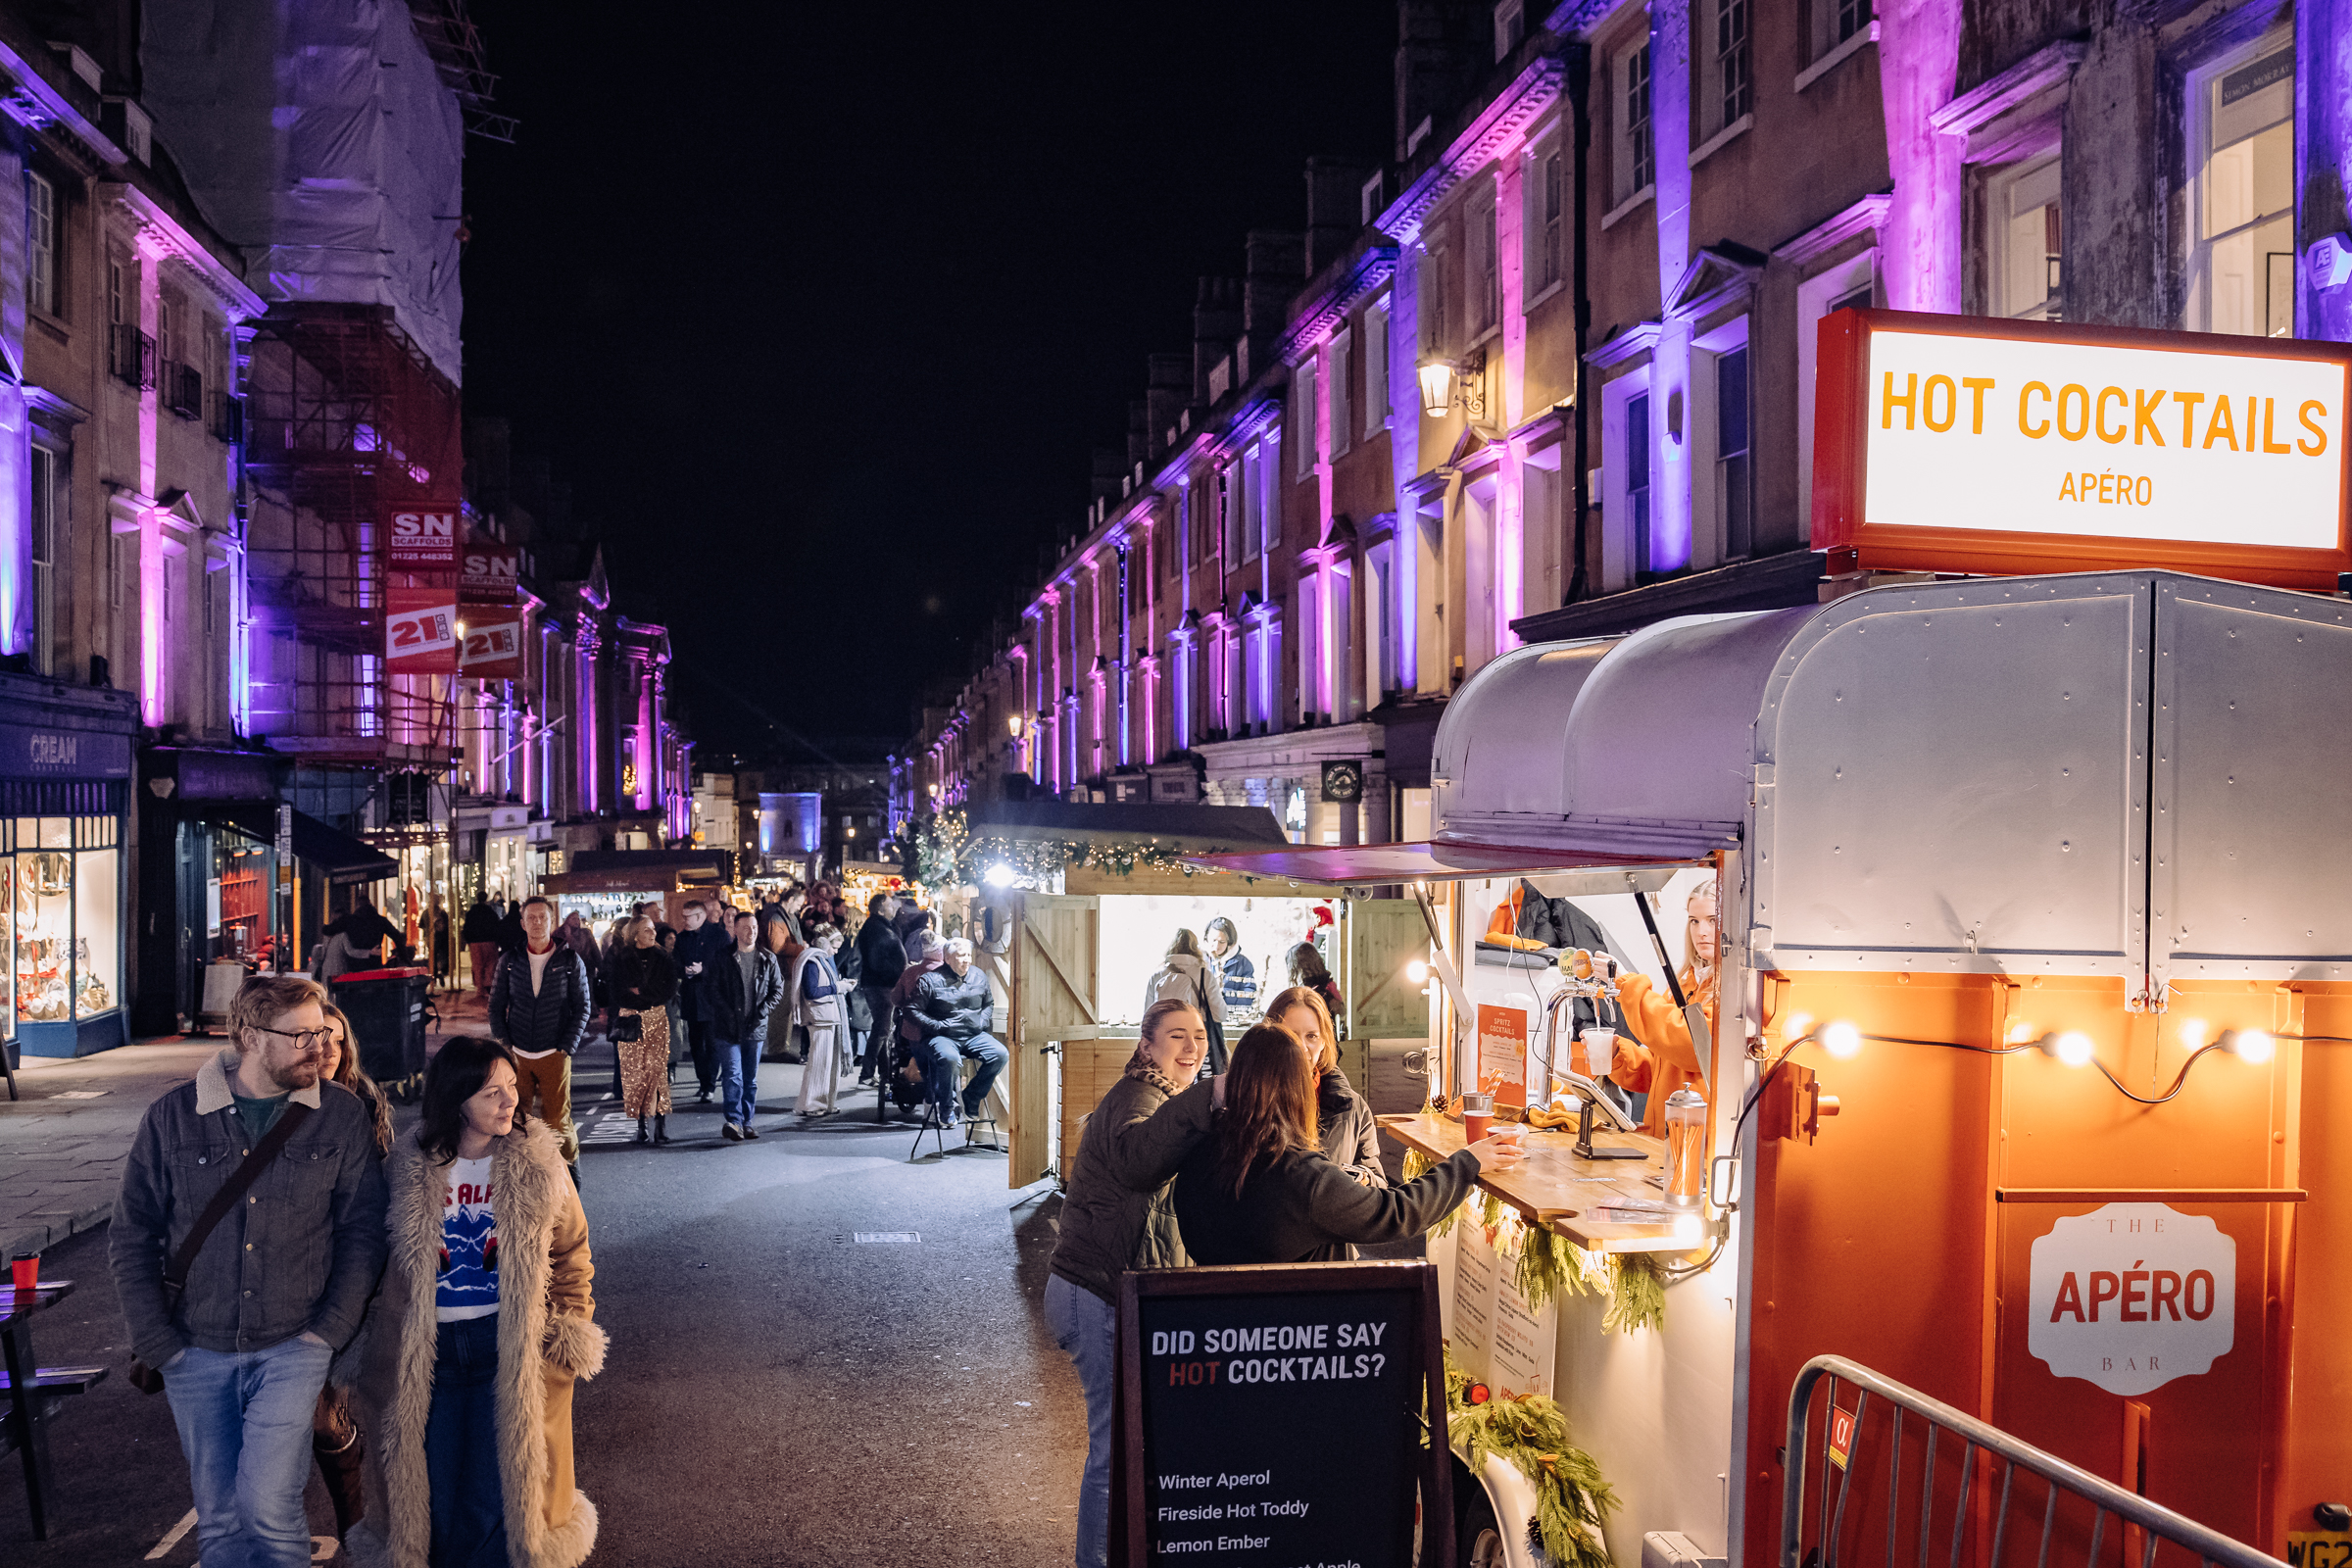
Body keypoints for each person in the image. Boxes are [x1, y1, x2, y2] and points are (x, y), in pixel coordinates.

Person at [110, 974, 390, 1568]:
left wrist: (329, 1333)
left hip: (295, 1343)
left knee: (267, 1503)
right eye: (300, 1036)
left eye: (321, 1032)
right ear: (247, 1035)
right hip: (194, 1348)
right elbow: (132, 1233)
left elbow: (362, 1231)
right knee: (220, 1520)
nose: (320, 1048)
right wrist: (158, 1342)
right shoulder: (173, 1119)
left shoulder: (340, 1116)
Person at [346, 1035, 606, 1568]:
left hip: (507, 1346)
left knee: (499, 1497)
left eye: (512, 1087)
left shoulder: (539, 1163)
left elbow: (573, 1254)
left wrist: (569, 1330)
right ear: (458, 1098)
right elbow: (368, 1256)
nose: (511, 1101)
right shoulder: (406, 1167)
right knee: (429, 1493)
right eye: (492, 1093)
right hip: (425, 1352)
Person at [1045, 1001, 1218, 1568]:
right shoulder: (1139, 1098)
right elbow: (1142, 1161)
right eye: (1176, 1037)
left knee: (1130, 1447)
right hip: (1093, 1292)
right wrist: (1207, 1100)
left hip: (1108, 1290)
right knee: (1114, 1452)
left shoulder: (1165, 1099)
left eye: (1197, 1036)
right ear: (1147, 1046)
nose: (1190, 1048)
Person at [1173, 1022, 1519, 1265]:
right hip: (1308, 1338)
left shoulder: (1199, 1155)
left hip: (1221, 1333)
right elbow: (1396, 1214)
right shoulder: (1301, 1177)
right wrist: (1468, 1163)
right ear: (1298, 1087)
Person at [311, 1003, 394, 1542]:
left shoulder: (363, 1104)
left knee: (327, 1414)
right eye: (314, 1037)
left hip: (348, 1279)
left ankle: (352, 1528)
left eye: (335, 1040)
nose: (325, 1050)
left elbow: (379, 1203)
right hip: (291, 1276)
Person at [487, 897, 593, 1185]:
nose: (536, 923)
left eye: (542, 918)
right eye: (531, 918)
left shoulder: (569, 960)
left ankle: (569, 1178)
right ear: (522, 923)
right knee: (516, 1120)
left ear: (551, 921)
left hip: (554, 1051)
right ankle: (521, 1179)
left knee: (558, 1121)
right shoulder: (509, 961)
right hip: (517, 1053)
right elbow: (496, 1005)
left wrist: (567, 1045)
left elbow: (583, 1005)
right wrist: (504, 1045)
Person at [1607, 881, 1719, 1135]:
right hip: (1662, 1136)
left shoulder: (1735, 990)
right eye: (1694, 921)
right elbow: (1662, 1066)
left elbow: (1692, 1046)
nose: (1702, 931)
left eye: (1713, 920)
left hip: (1698, 1140)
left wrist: (1629, 985)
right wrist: (1620, 1056)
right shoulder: (1685, 982)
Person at [1264, 985, 1384, 1188]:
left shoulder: (1353, 1107)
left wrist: (1362, 1179)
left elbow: (1378, 1182)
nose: (1302, 1046)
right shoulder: (1249, 1098)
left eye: (1312, 1036)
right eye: (1291, 1035)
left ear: (1324, 1043)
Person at [906, 937, 1008, 1129]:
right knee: (950, 1058)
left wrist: (982, 1021)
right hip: (942, 1036)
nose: (967, 959)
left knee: (1000, 1054)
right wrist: (936, 1025)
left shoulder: (979, 976)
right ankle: (946, 1107)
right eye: (961, 955)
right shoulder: (930, 980)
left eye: (969, 955)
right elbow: (912, 1010)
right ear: (947, 958)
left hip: (972, 1034)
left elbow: (988, 1004)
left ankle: (971, 1096)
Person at [704, 907, 784, 1141]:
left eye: (755, 928)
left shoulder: (767, 958)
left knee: (750, 1078)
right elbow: (712, 989)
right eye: (746, 928)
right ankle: (734, 1120)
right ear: (735, 930)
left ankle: (747, 1121)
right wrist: (727, 1013)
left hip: (755, 1027)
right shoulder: (722, 957)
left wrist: (762, 1012)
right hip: (727, 1028)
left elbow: (776, 991)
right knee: (732, 1075)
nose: (752, 932)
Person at [610, 917, 678, 1145]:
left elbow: (669, 988)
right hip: (631, 1019)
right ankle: (641, 1125)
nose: (652, 933)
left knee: (657, 1071)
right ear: (635, 934)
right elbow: (616, 990)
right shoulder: (622, 958)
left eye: (652, 930)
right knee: (635, 1073)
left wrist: (643, 994)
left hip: (657, 1018)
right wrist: (637, 996)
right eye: (646, 930)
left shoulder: (664, 958)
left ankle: (660, 1125)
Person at [673, 900, 735, 1104]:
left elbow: (727, 965)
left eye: (688, 916)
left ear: (700, 916)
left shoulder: (719, 936)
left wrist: (704, 970)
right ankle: (703, 1082)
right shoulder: (681, 938)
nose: (685, 920)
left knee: (712, 1043)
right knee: (695, 1045)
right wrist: (685, 971)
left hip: (712, 998)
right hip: (691, 996)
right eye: (683, 916)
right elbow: (675, 963)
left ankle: (709, 1085)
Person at [787, 924, 851, 1119]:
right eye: (834, 947)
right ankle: (811, 1104)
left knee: (828, 1063)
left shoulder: (818, 959)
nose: (836, 951)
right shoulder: (813, 961)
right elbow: (813, 991)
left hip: (826, 1016)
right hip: (820, 1017)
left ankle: (824, 1103)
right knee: (820, 1063)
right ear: (824, 943)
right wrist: (839, 987)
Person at [1144, 929, 1226, 1072]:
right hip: (1196, 1045)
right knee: (1199, 1086)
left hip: (1165, 1042)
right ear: (1196, 950)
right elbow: (1220, 1014)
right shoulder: (1204, 975)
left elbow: (1148, 1018)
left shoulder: (1157, 976)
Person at [854, 892, 907, 1084]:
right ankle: (867, 1074)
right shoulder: (876, 929)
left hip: (881, 984)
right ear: (879, 909)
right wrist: (896, 973)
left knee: (882, 1028)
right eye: (889, 906)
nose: (893, 908)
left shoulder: (882, 926)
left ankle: (885, 1074)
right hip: (880, 985)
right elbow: (878, 961)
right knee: (882, 1028)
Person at [313, 903, 397, 981]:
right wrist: (370, 952)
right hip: (339, 971)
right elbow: (351, 952)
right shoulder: (343, 935)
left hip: (326, 970)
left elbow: (322, 954)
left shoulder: (327, 936)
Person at [1204, 916, 1257, 1019]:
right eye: (1213, 940)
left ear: (1230, 943)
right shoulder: (1199, 961)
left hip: (1231, 1017)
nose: (1216, 946)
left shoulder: (1243, 964)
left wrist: (1226, 999)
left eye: (1221, 942)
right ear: (1206, 938)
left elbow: (1249, 992)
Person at [1285, 940, 1344, 1027]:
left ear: (1295, 969)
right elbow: (1342, 1011)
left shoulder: (1304, 991)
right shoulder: (1329, 984)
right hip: (1328, 1037)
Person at [463, 897, 504, 998]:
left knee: (477, 965)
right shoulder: (490, 912)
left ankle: (480, 989)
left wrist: (468, 940)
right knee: (490, 964)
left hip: (475, 942)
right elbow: (496, 926)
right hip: (489, 941)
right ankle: (488, 986)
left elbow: (466, 927)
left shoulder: (471, 913)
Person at [425, 898, 453, 988]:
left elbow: (422, 926)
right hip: (443, 938)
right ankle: (441, 973)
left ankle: (434, 976)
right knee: (443, 956)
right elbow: (448, 926)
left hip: (432, 938)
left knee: (433, 958)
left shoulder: (426, 913)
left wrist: (426, 938)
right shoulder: (443, 913)